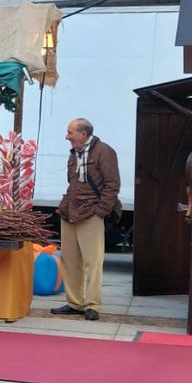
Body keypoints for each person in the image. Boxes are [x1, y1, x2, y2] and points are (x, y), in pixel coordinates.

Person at [52, 117, 119, 323]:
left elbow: (112, 185)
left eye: (70, 132)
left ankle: (92, 305)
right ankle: (75, 303)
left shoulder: (105, 152)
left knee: (93, 262)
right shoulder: (74, 154)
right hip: (70, 212)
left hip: (91, 213)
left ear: (83, 134)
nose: (67, 137)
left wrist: (100, 211)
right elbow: (72, 183)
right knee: (70, 261)